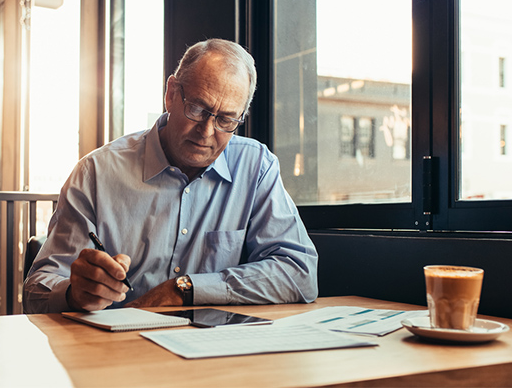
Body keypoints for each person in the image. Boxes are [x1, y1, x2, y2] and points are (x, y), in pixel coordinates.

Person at [23, 38, 318, 314]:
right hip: (114, 352)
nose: (207, 132)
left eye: (226, 119)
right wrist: (76, 293)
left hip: (211, 351)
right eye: (198, 109)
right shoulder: (96, 172)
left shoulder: (256, 167)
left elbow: (299, 273)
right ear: (171, 94)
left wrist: (185, 289)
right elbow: (36, 291)